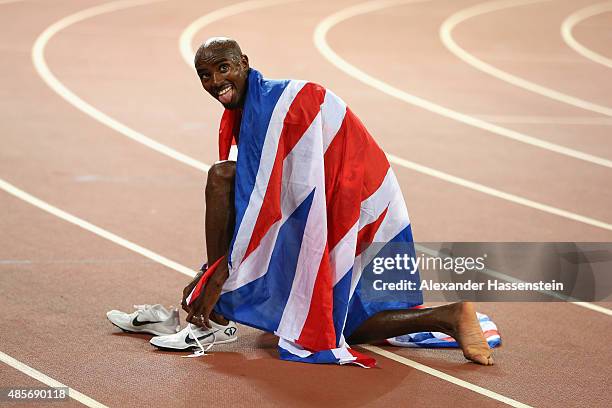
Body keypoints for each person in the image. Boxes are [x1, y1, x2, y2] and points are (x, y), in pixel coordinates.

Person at [152, 37, 494, 366]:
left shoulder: (274, 108)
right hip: (331, 196)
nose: (216, 82)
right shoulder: (256, 105)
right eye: (205, 75)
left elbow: (266, 203)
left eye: (223, 68)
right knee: (227, 183)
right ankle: (447, 316)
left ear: (244, 63)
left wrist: (219, 275)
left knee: (329, 325)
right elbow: (261, 196)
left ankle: (448, 317)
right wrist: (217, 271)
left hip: (354, 201)